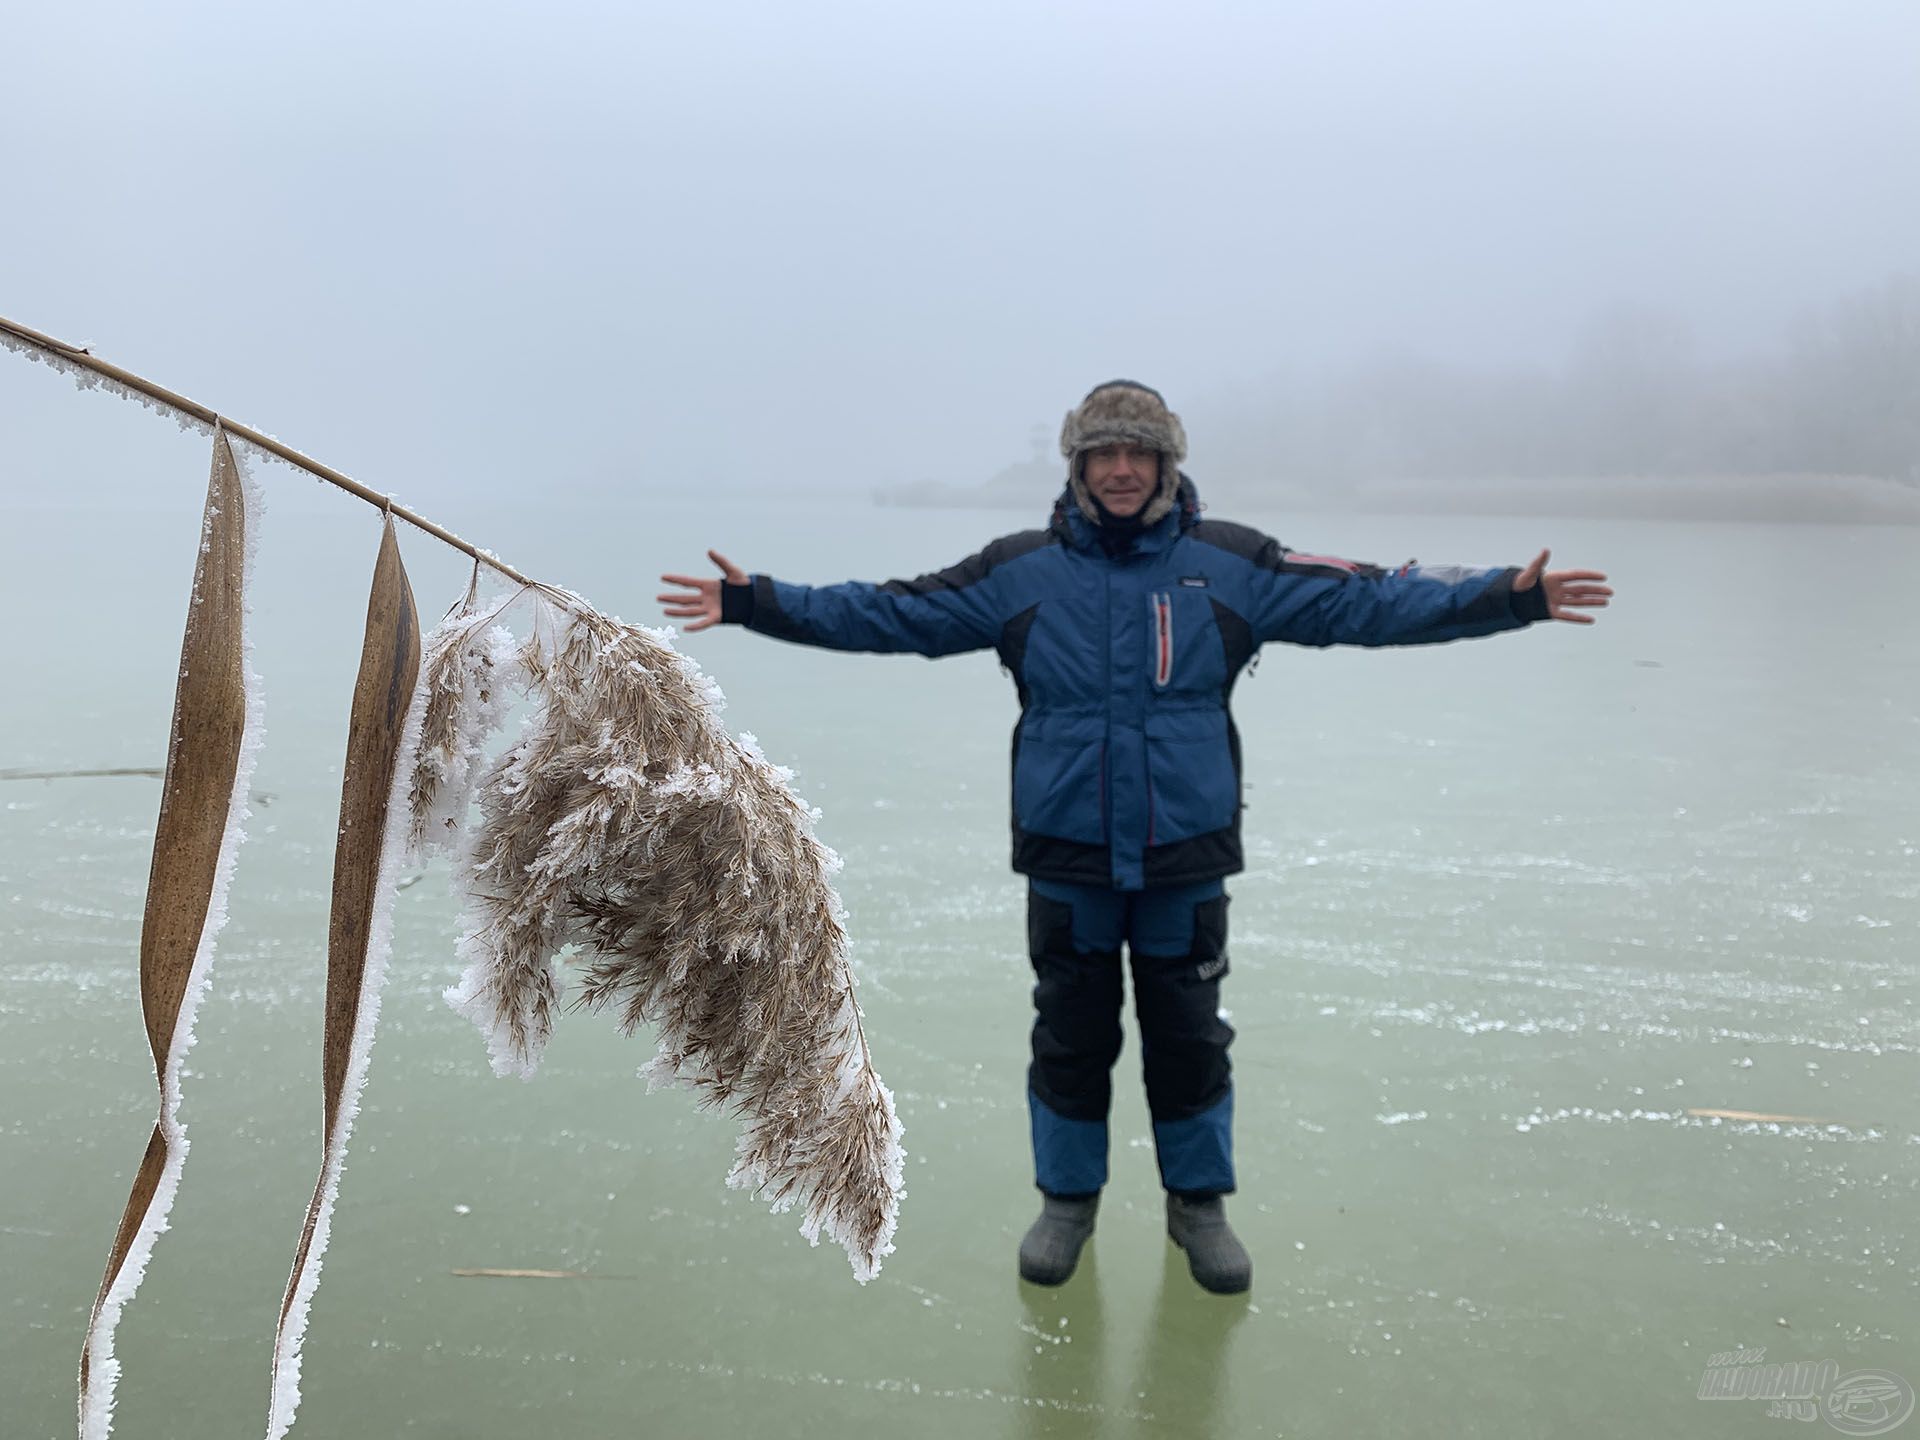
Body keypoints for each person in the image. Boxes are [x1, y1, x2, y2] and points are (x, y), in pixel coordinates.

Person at [659, 380, 1611, 1295]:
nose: (1120, 469)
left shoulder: (1232, 565)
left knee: (1190, 1040)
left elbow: (1367, 598)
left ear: (1166, 464)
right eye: (1102, 452)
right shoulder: (1020, 571)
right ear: (1076, 465)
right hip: (1068, 856)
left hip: (1183, 857)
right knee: (1070, 1040)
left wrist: (1506, 597)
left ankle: (1199, 1207)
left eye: (1138, 452)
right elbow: (893, 611)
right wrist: (760, 603)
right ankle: (1066, 1203)